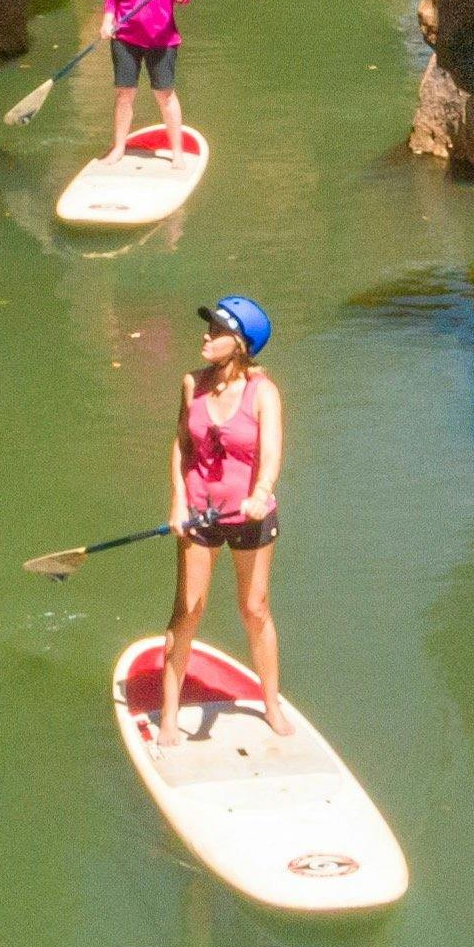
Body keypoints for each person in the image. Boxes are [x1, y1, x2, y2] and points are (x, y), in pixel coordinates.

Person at [160, 295, 283, 735]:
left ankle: (271, 705)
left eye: (216, 331)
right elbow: (181, 446)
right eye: (207, 328)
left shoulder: (262, 392)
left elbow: (270, 454)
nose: (206, 336)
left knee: (255, 609)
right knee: (188, 609)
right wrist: (177, 503)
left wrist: (261, 492)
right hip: (199, 513)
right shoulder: (192, 382)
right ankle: (169, 718)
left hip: (250, 515)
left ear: (241, 344)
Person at [100, 0, 192, 156]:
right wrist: (108, 20)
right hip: (126, 37)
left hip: (161, 40)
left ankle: (177, 153)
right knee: (124, 95)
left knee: (165, 95)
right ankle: (118, 148)